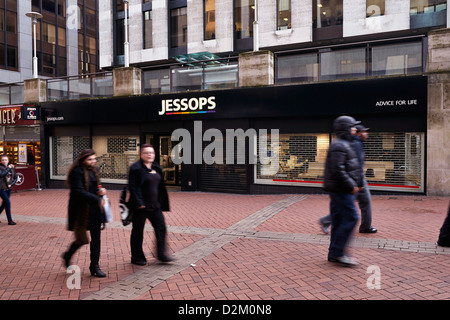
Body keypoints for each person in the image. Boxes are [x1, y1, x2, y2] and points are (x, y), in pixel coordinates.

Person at [319, 124, 377, 234]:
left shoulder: (354, 143)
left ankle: (366, 226)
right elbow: (355, 165)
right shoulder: (355, 144)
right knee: (348, 207)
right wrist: (358, 183)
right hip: (354, 181)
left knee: (361, 203)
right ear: (359, 133)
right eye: (365, 131)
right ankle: (326, 221)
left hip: (355, 179)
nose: (367, 134)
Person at [323, 115, 363, 266]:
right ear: (345, 129)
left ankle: (335, 252)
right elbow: (338, 169)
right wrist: (351, 185)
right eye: (352, 127)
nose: (355, 130)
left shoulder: (344, 144)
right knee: (351, 218)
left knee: (339, 220)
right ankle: (338, 252)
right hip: (341, 189)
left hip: (340, 189)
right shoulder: (339, 145)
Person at [62, 149, 107, 277]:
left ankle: (95, 266)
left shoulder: (95, 170)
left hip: (94, 209)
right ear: (83, 160)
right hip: (81, 210)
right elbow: (78, 191)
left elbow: (96, 187)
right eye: (90, 159)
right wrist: (97, 199)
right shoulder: (77, 172)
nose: (93, 162)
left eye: (94, 159)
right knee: (82, 239)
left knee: (96, 239)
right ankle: (67, 255)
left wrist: (101, 191)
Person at [128, 144, 172, 265]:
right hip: (140, 207)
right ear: (141, 154)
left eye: (151, 153)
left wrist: (161, 202)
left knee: (161, 228)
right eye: (146, 153)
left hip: (154, 206)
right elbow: (133, 187)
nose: (149, 155)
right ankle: (137, 257)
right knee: (138, 231)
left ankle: (162, 254)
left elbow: (160, 187)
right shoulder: (136, 168)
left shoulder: (156, 167)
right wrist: (139, 202)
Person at [0, 154, 17, 225]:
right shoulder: (0, 168)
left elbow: (15, 177)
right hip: (1, 188)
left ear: (8, 161)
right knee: (8, 202)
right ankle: (10, 220)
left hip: (8, 188)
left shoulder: (11, 168)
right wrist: (8, 168)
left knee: (4, 204)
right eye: (3, 160)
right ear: (1, 161)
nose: (4, 161)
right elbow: (2, 175)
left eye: (5, 160)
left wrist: (12, 184)